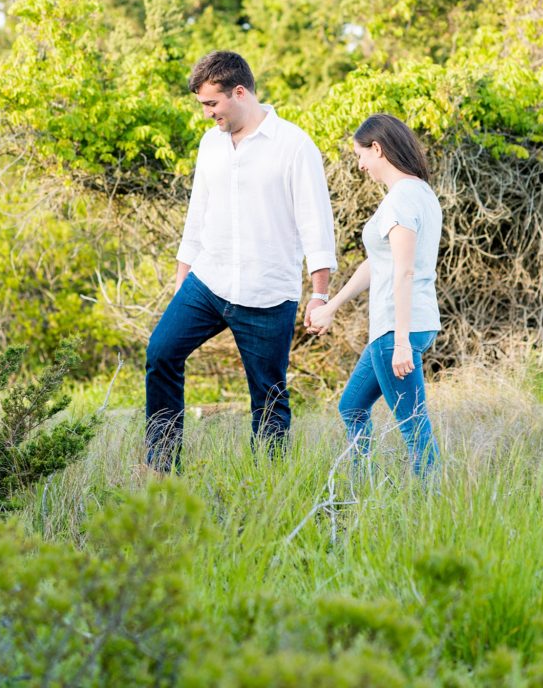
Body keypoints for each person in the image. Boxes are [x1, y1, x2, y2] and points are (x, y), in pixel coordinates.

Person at [145, 51, 337, 470]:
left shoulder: (293, 145)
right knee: (161, 353)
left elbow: (316, 226)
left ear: (239, 91)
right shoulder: (210, 143)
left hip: (266, 291)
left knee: (268, 395)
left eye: (212, 104)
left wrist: (319, 295)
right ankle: (162, 466)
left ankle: (269, 481)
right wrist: (183, 280)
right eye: (202, 105)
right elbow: (198, 214)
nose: (207, 114)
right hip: (208, 282)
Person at [308, 113, 441, 477]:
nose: (361, 165)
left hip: (396, 331)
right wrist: (332, 305)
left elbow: (404, 271)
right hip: (409, 325)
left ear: (377, 149)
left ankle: (431, 510)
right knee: (352, 406)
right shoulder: (419, 193)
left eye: (360, 155)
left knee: (415, 429)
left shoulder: (401, 200)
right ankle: (359, 484)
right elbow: (379, 262)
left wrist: (399, 342)